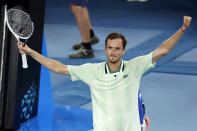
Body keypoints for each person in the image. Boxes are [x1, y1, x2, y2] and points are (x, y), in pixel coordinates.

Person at [17, 16, 191, 131]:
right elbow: (58, 67)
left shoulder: (135, 67)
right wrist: (31, 52)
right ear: (105, 50)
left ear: (123, 51)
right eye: (110, 48)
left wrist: (182, 29)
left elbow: (163, 50)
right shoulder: (93, 71)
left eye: (117, 49)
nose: (113, 52)